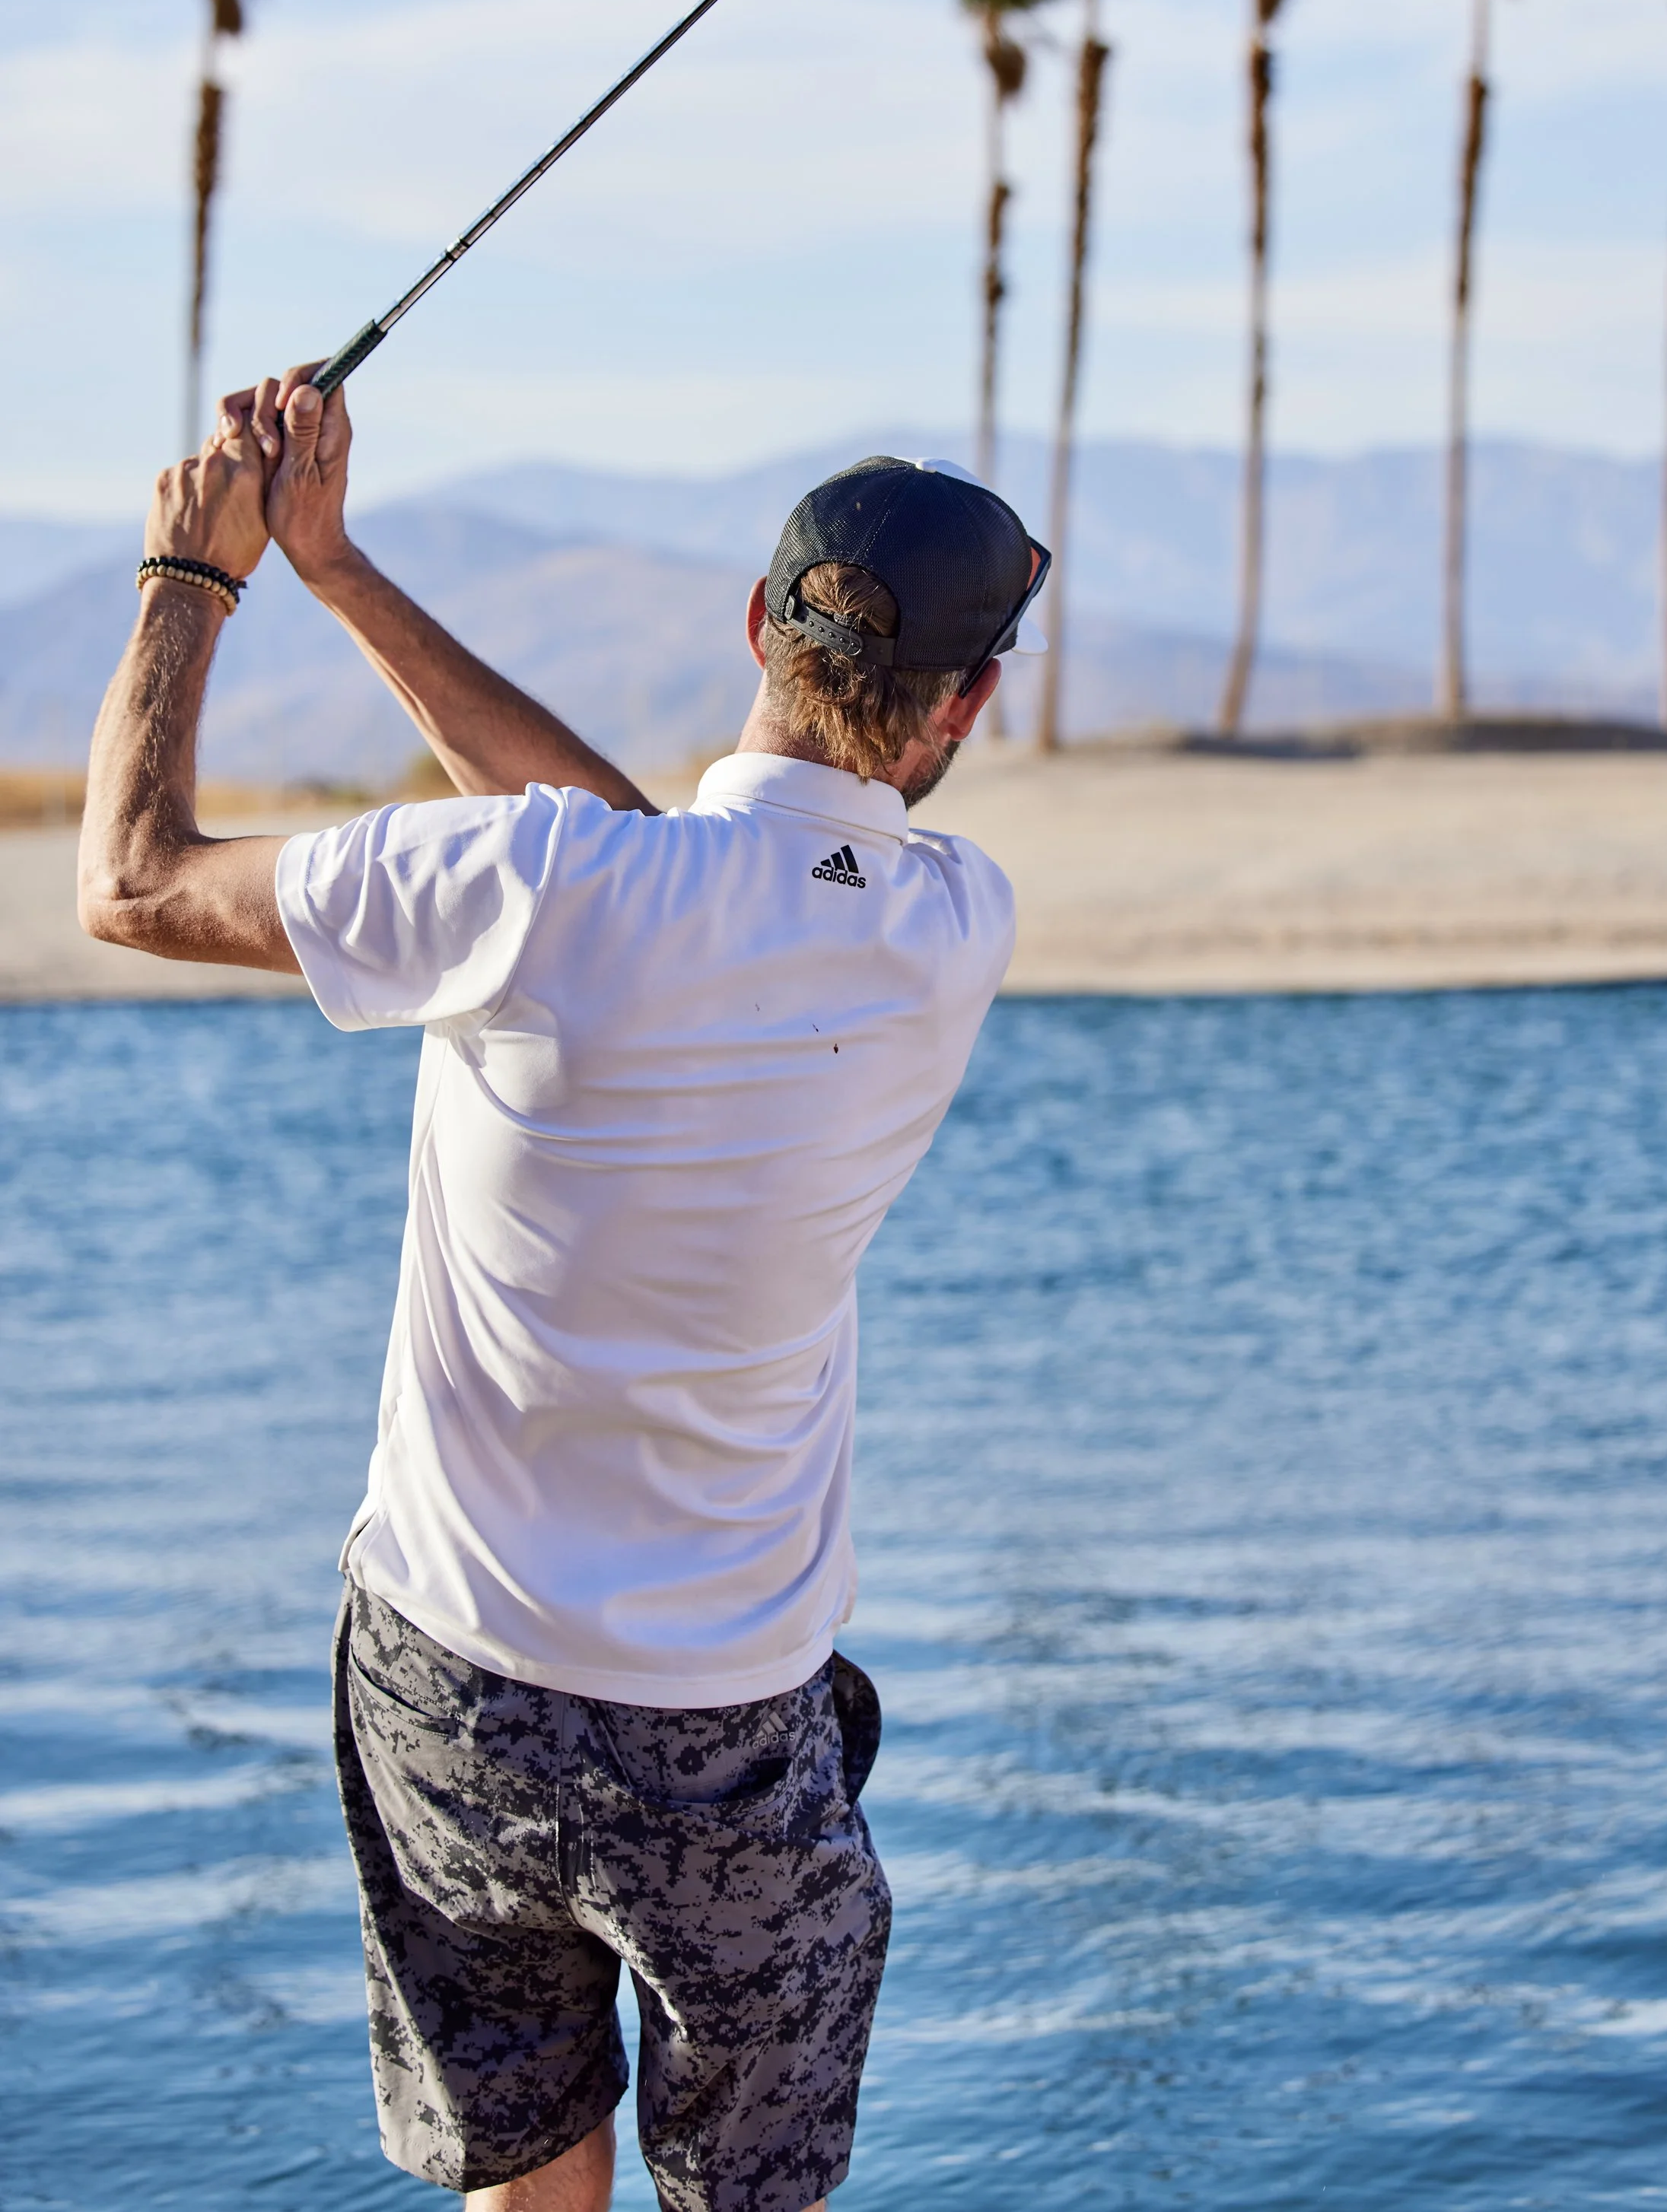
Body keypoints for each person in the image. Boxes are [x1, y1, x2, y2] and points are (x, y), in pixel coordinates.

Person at [79, 367, 1049, 2212]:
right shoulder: (950, 923)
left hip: (450, 1677)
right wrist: (339, 571)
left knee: (524, 2166)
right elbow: (648, 855)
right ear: (968, 699)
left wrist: (199, 574)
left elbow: (130, 880)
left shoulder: (543, 883)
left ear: (756, 622)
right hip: (719, 1725)